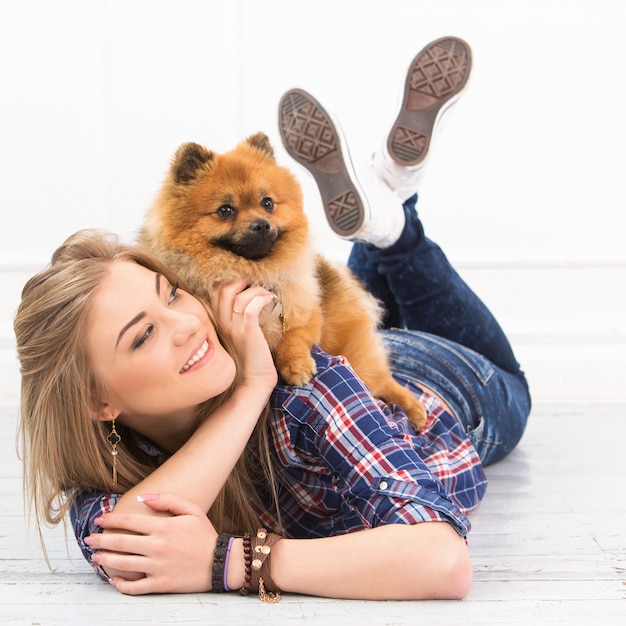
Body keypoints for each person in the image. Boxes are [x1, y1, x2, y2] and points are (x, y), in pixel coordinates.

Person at [14, 37, 530, 601]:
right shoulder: (113, 471)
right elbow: (130, 545)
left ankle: (394, 224)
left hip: (444, 387)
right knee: (341, 286)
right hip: (345, 361)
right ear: (98, 404)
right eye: (143, 336)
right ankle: (387, 205)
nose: (187, 323)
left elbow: (440, 561)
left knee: (515, 388)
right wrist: (244, 396)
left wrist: (230, 560)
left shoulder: (305, 386)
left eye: (174, 294)